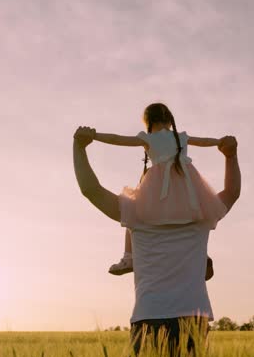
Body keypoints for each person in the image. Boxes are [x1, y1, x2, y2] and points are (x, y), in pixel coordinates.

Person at [73, 125, 240, 357]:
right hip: (194, 318)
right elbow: (232, 192)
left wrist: (79, 146)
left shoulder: (136, 216)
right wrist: (230, 156)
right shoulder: (201, 214)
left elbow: (91, 189)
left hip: (150, 315)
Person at [92, 103, 227, 280]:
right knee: (195, 218)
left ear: (148, 122)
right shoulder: (181, 137)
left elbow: (118, 139)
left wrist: (94, 136)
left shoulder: (149, 138)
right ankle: (201, 256)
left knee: (133, 213)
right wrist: (221, 143)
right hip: (186, 185)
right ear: (170, 121)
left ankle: (129, 257)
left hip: (157, 187)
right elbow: (204, 141)